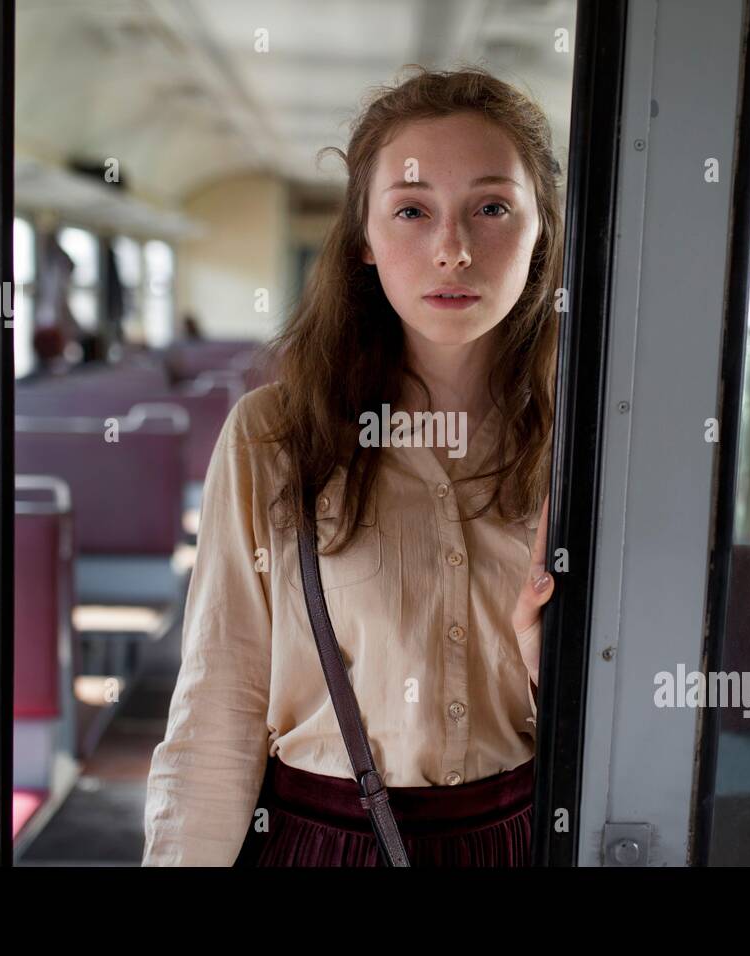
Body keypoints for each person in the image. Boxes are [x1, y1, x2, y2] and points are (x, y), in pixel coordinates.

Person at [143, 65, 562, 867]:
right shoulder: (273, 439)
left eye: (492, 207)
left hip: (523, 837)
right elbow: (219, 712)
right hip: (319, 841)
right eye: (412, 210)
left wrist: (551, 670)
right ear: (365, 240)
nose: (452, 248)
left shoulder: (588, 446)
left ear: (540, 230)